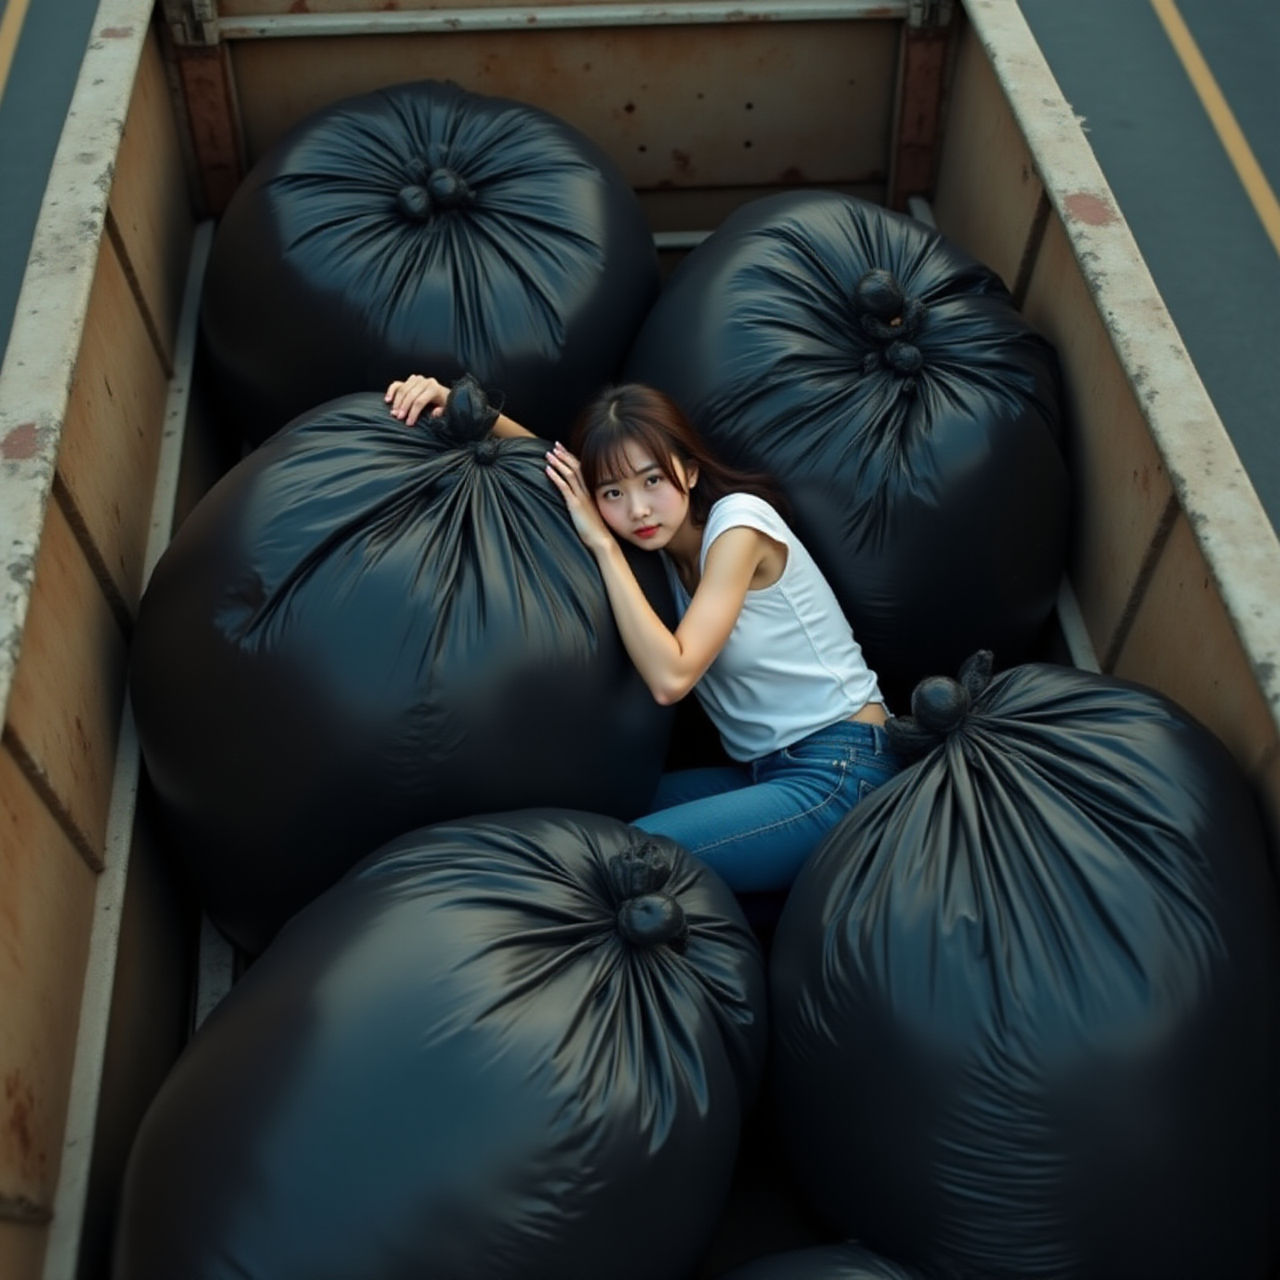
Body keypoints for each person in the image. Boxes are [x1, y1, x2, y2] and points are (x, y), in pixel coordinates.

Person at [385, 373, 902, 894]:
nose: (637, 510)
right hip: (764, 770)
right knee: (591, 820)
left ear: (691, 471)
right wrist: (460, 405)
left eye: (653, 480)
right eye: (614, 493)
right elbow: (558, 468)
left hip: (845, 766)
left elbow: (671, 677)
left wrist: (604, 547)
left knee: (618, 861)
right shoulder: (663, 551)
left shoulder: (739, 526)